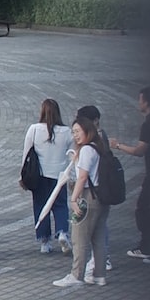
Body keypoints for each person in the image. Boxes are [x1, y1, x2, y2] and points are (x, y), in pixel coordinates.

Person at [114, 86, 150, 264]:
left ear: (146, 102)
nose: (139, 102)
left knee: (146, 208)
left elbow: (140, 151)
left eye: (140, 99)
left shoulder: (149, 124)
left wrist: (118, 145)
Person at [53, 116, 110, 287]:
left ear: (87, 131)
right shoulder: (100, 147)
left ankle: (76, 275)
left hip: (88, 196)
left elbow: (82, 177)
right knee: (98, 237)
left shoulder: (86, 150)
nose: (75, 135)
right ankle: (99, 275)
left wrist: (73, 199)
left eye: (78, 131)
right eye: (73, 132)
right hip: (101, 196)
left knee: (79, 237)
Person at [21, 99, 74, 254]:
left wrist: (22, 175)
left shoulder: (34, 129)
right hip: (60, 175)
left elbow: (26, 153)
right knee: (60, 205)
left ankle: (45, 241)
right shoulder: (67, 132)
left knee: (40, 205)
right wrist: (73, 177)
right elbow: (72, 156)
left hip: (40, 175)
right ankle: (62, 231)